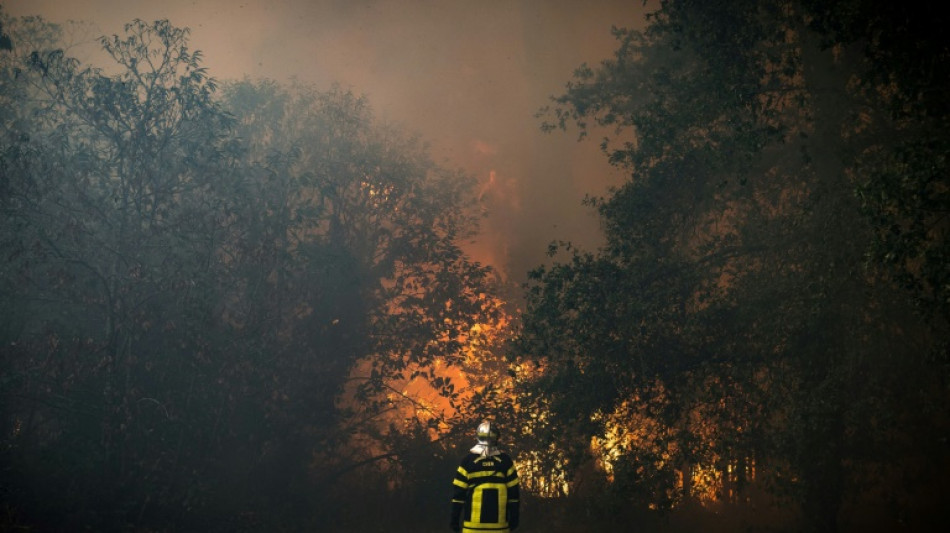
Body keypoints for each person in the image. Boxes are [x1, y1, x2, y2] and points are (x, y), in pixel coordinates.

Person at [450, 420, 520, 532]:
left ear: (478, 436)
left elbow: (458, 496)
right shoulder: (505, 462)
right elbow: (514, 496)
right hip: (500, 528)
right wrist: (514, 518)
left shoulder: (468, 461)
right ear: (496, 438)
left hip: (472, 528)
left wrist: (454, 520)